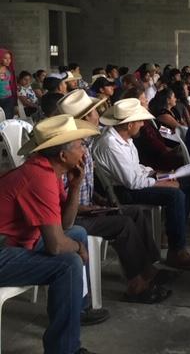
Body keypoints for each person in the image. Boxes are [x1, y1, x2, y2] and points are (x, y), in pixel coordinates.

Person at [0, 114, 103, 354]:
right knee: (68, 264)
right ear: (63, 155)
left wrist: (75, 187)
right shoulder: (39, 176)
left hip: (15, 243)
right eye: (79, 145)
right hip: (4, 248)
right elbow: (56, 245)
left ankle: (75, 310)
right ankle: (64, 349)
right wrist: (78, 250)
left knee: (77, 233)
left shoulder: (49, 170)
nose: (84, 150)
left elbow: (66, 225)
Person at [57, 89, 171, 304]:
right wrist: (84, 208)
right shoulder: (68, 152)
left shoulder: (84, 145)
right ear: (82, 119)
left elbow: (84, 185)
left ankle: (148, 270)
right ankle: (135, 285)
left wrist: (98, 200)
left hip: (86, 208)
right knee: (123, 224)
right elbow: (60, 200)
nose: (97, 117)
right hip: (73, 218)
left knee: (136, 213)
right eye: (93, 113)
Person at [93, 98, 190, 270]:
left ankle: (174, 229)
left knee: (187, 182)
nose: (143, 124)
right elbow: (132, 182)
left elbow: (136, 167)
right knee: (175, 194)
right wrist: (163, 183)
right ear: (129, 124)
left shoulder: (124, 138)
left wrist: (156, 173)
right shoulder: (110, 145)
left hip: (132, 182)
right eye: (140, 121)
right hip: (122, 191)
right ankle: (176, 250)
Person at [121, 87, 184, 172]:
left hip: (165, 147)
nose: (147, 100)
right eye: (143, 98)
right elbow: (177, 129)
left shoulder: (172, 110)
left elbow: (160, 131)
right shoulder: (163, 114)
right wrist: (174, 148)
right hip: (156, 161)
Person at [0, 48, 17, 119]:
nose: (8, 60)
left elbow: (12, 84)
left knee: (8, 119)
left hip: (8, 98)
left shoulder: (9, 69)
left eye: (9, 58)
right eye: (5, 58)